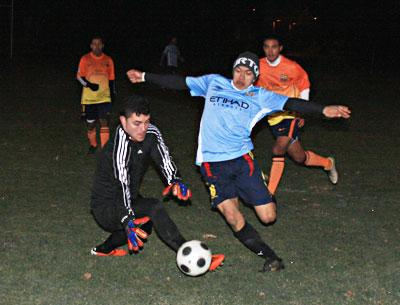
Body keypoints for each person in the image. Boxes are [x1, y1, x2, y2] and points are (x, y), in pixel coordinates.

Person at [126, 52, 350, 272]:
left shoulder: (261, 96)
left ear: (255, 77)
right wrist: (145, 76)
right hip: (212, 164)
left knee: (268, 217)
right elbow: (180, 82)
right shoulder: (213, 82)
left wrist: (323, 110)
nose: (241, 77)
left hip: (242, 161)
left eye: (248, 73)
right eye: (238, 71)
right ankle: (271, 257)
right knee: (233, 217)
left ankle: (256, 186)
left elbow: (292, 102)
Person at [90, 95, 224, 271]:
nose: (142, 129)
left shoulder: (151, 133)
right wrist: (127, 218)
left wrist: (174, 180)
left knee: (145, 224)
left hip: (128, 197)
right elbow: (121, 184)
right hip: (105, 205)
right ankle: (190, 254)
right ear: (123, 121)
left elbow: (164, 159)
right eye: (136, 123)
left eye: (146, 122)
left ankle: (103, 250)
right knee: (152, 209)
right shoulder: (119, 144)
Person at [255, 35, 338, 195]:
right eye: (266, 47)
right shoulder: (259, 66)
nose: (270, 51)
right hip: (273, 117)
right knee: (299, 157)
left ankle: (269, 194)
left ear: (280, 48)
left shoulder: (291, 67)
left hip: (291, 114)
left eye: (274, 47)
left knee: (278, 149)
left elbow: (304, 85)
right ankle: (328, 163)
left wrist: (302, 111)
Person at [77, 36, 116, 154]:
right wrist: (89, 85)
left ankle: (105, 149)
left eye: (99, 44)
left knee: (104, 122)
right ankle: (93, 144)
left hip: (104, 97)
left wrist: (113, 93)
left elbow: (112, 79)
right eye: (94, 44)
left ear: (102, 45)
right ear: (91, 46)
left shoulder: (108, 60)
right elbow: (79, 76)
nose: (97, 46)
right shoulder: (85, 59)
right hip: (89, 98)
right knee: (91, 124)